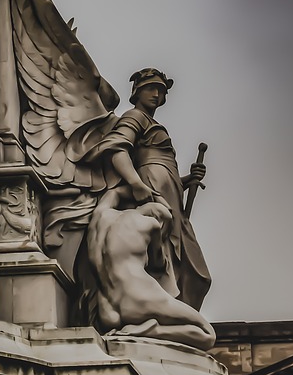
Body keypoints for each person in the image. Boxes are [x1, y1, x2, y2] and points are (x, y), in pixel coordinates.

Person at [90, 68, 210, 310]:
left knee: (195, 274)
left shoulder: (151, 121)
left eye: (161, 90)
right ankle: (164, 311)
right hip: (152, 191)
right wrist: (136, 184)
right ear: (137, 92)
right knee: (170, 263)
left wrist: (187, 179)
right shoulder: (134, 116)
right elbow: (117, 150)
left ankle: (178, 316)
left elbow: (165, 172)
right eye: (151, 88)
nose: (157, 94)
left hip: (169, 194)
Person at [87, 186, 215, 350]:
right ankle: (150, 330)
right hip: (139, 298)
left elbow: (115, 192)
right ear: (160, 220)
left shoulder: (102, 215)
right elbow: (158, 263)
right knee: (207, 334)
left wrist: (145, 190)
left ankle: (142, 328)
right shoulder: (152, 224)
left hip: (106, 309)